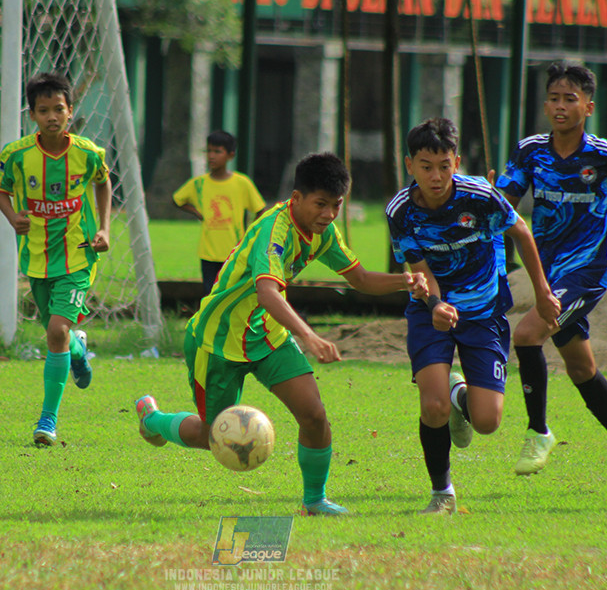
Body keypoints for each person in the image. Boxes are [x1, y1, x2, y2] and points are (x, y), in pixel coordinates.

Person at [136, 152, 425, 516]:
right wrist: (310, 336)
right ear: (297, 198)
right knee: (213, 437)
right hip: (218, 339)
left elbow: (361, 279)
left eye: (336, 205)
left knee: (314, 415)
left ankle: (314, 500)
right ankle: (153, 420)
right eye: (321, 204)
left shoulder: (323, 233)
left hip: (268, 334)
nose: (329, 214)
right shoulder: (275, 230)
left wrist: (406, 281)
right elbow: (267, 293)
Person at [386, 118, 560, 515]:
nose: (437, 176)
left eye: (445, 165)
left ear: (457, 161)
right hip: (431, 312)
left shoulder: (480, 195)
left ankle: (458, 391)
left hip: (483, 312)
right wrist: (435, 306)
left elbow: (522, 233)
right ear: (409, 164)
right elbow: (417, 270)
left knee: (486, 422)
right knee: (432, 409)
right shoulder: (400, 210)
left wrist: (543, 294)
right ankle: (442, 492)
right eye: (426, 166)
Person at [495, 61, 607, 490]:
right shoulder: (531, 150)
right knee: (581, 367)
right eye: (554, 98)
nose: (561, 106)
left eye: (570, 99)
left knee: (527, 335)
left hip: (590, 266)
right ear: (545, 104)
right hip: (548, 267)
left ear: (589, 106)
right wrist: (491, 198)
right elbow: (507, 197)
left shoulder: (603, 153)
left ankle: (538, 431)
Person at [0, 72, 111, 446]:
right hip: (37, 258)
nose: (52, 116)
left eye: (58, 109)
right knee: (58, 334)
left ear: (70, 111)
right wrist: (14, 219)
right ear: (33, 115)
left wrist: (103, 229)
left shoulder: (88, 153)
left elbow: (104, 182)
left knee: (54, 331)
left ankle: (48, 420)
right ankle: (78, 347)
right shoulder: (16, 155)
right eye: (43, 110)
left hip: (78, 256)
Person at [173, 130, 266, 296]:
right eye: (208, 151)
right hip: (208, 251)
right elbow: (177, 200)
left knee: (231, 293)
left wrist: (251, 235)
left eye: (217, 151)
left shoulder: (241, 183)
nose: (211, 156)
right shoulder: (199, 184)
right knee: (210, 293)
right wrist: (197, 213)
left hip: (234, 250)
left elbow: (260, 210)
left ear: (231, 155)